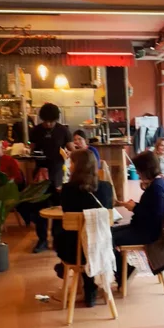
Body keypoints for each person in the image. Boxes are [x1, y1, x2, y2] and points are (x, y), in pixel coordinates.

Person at [55, 150, 113, 308]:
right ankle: (90, 289)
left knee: (61, 233)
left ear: (77, 166)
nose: (69, 166)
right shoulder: (106, 187)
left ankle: (71, 274)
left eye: (71, 163)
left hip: (73, 251)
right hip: (101, 248)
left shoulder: (67, 189)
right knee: (89, 237)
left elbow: (66, 212)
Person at [112, 150, 164, 287]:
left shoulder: (157, 188)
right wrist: (135, 206)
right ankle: (124, 270)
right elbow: (151, 209)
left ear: (146, 169)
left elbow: (155, 217)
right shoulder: (157, 184)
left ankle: (125, 271)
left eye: (138, 170)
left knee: (107, 238)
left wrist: (135, 208)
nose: (137, 173)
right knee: (107, 232)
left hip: (148, 233)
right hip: (142, 228)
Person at [29, 102, 75, 253]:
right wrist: (34, 155)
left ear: (56, 119)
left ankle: (57, 239)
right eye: (46, 121)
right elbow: (32, 148)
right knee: (39, 207)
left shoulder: (63, 130)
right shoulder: (36, 130)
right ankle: (42, 239)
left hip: (58, 173)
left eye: (51, 121)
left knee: (59, 207)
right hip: (40, 173)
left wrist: (71, 153)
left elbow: (71, 149)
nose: (48, 124)